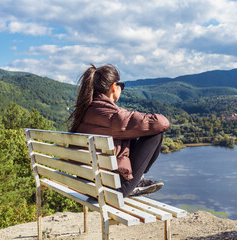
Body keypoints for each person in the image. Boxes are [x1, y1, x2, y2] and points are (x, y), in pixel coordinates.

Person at [68, 64, 169, 197]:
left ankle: (137, 180)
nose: (121, 89)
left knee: (132, 133)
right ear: (113, 86)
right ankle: (138, 180)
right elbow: (162, 123)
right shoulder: (114, 116)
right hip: (111, 189)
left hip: (87, 184)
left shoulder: (86, 111)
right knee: (156, 133)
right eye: (121, 85)